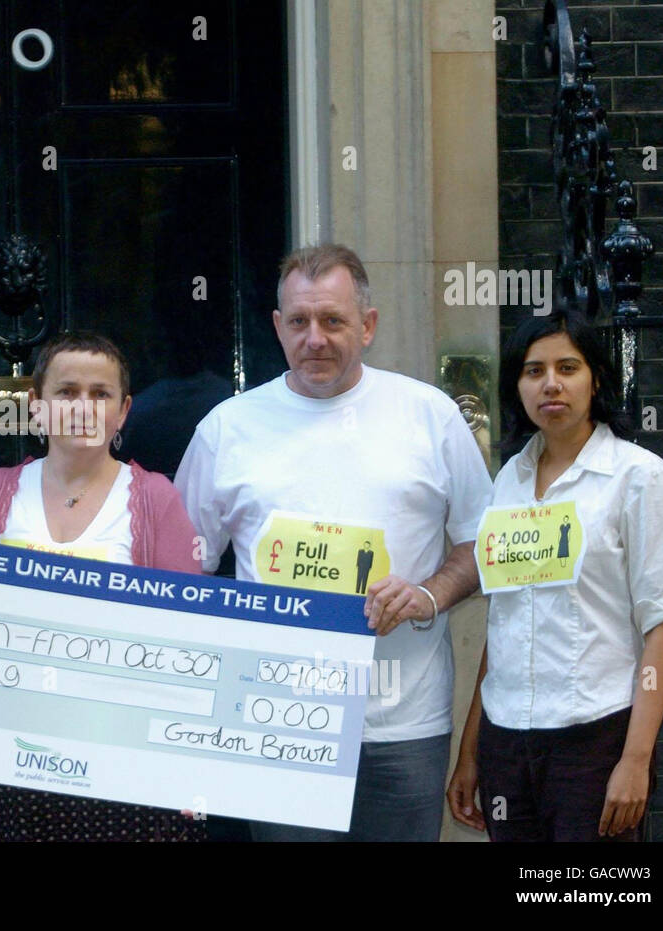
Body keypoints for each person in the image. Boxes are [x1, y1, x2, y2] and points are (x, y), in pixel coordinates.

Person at [175, 243, 493, 841]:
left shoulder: (429, 415)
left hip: (404, 726)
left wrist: (427, 596)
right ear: (278, 327)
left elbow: (482, 541)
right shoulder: (226, 428)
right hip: (275, 723)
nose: (314, 339)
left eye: (332, 320)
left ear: (367, 326)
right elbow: (182, 569)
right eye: (299, 321)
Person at [0, 331, 206, 841]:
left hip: (125, 768)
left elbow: (189, 644)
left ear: (123, 410)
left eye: (100, 394)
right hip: (11, 763)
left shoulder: (155, 499)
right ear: (36, 405)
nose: (83, 407)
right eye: (67, 392)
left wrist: (187, 760)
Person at [447, 312, 663, 842]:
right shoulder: (508, 482)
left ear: (595, 379)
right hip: (506, 741)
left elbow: (662, 626)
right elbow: (505, 623)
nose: (550, 383)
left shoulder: (638, 477)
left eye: (567, 368)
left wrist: (636, 759)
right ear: (517, 386)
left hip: (595, 738)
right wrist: (471, 751)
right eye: (534, 371)